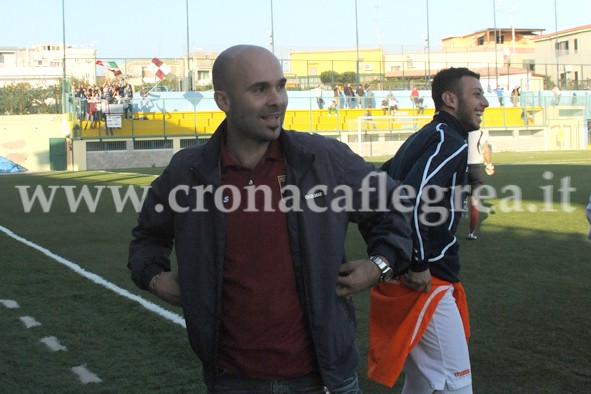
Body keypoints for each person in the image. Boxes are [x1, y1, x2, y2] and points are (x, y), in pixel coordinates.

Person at [128, 44, 414, 394]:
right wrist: (156, 278)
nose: (277, 99)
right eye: (260, 89)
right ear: (224, 101)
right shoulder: (188, 173)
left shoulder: (323, 160)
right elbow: (147, 238)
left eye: (281, 85)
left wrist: (380, 265)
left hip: (324, 378)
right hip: (232, 379)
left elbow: (395, 204)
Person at [368, 67, 489, 393]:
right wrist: (417, 261)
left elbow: (379, 187)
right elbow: (411, 198)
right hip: (426, 279)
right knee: (456, 384)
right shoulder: (448, 141)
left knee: (423, 381)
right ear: (451, 99)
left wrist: (387, 254)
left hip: (416, 273)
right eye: (476, 94)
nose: (485, 102)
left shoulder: (425, 135)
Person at [466, 128, 494, 240]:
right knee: (474, 201)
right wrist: (489, 164)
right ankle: (471, 232)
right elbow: (486, 150)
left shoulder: (459, 129)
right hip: (476, 168)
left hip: (461, 166)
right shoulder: (482, 132)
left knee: (454, 198)